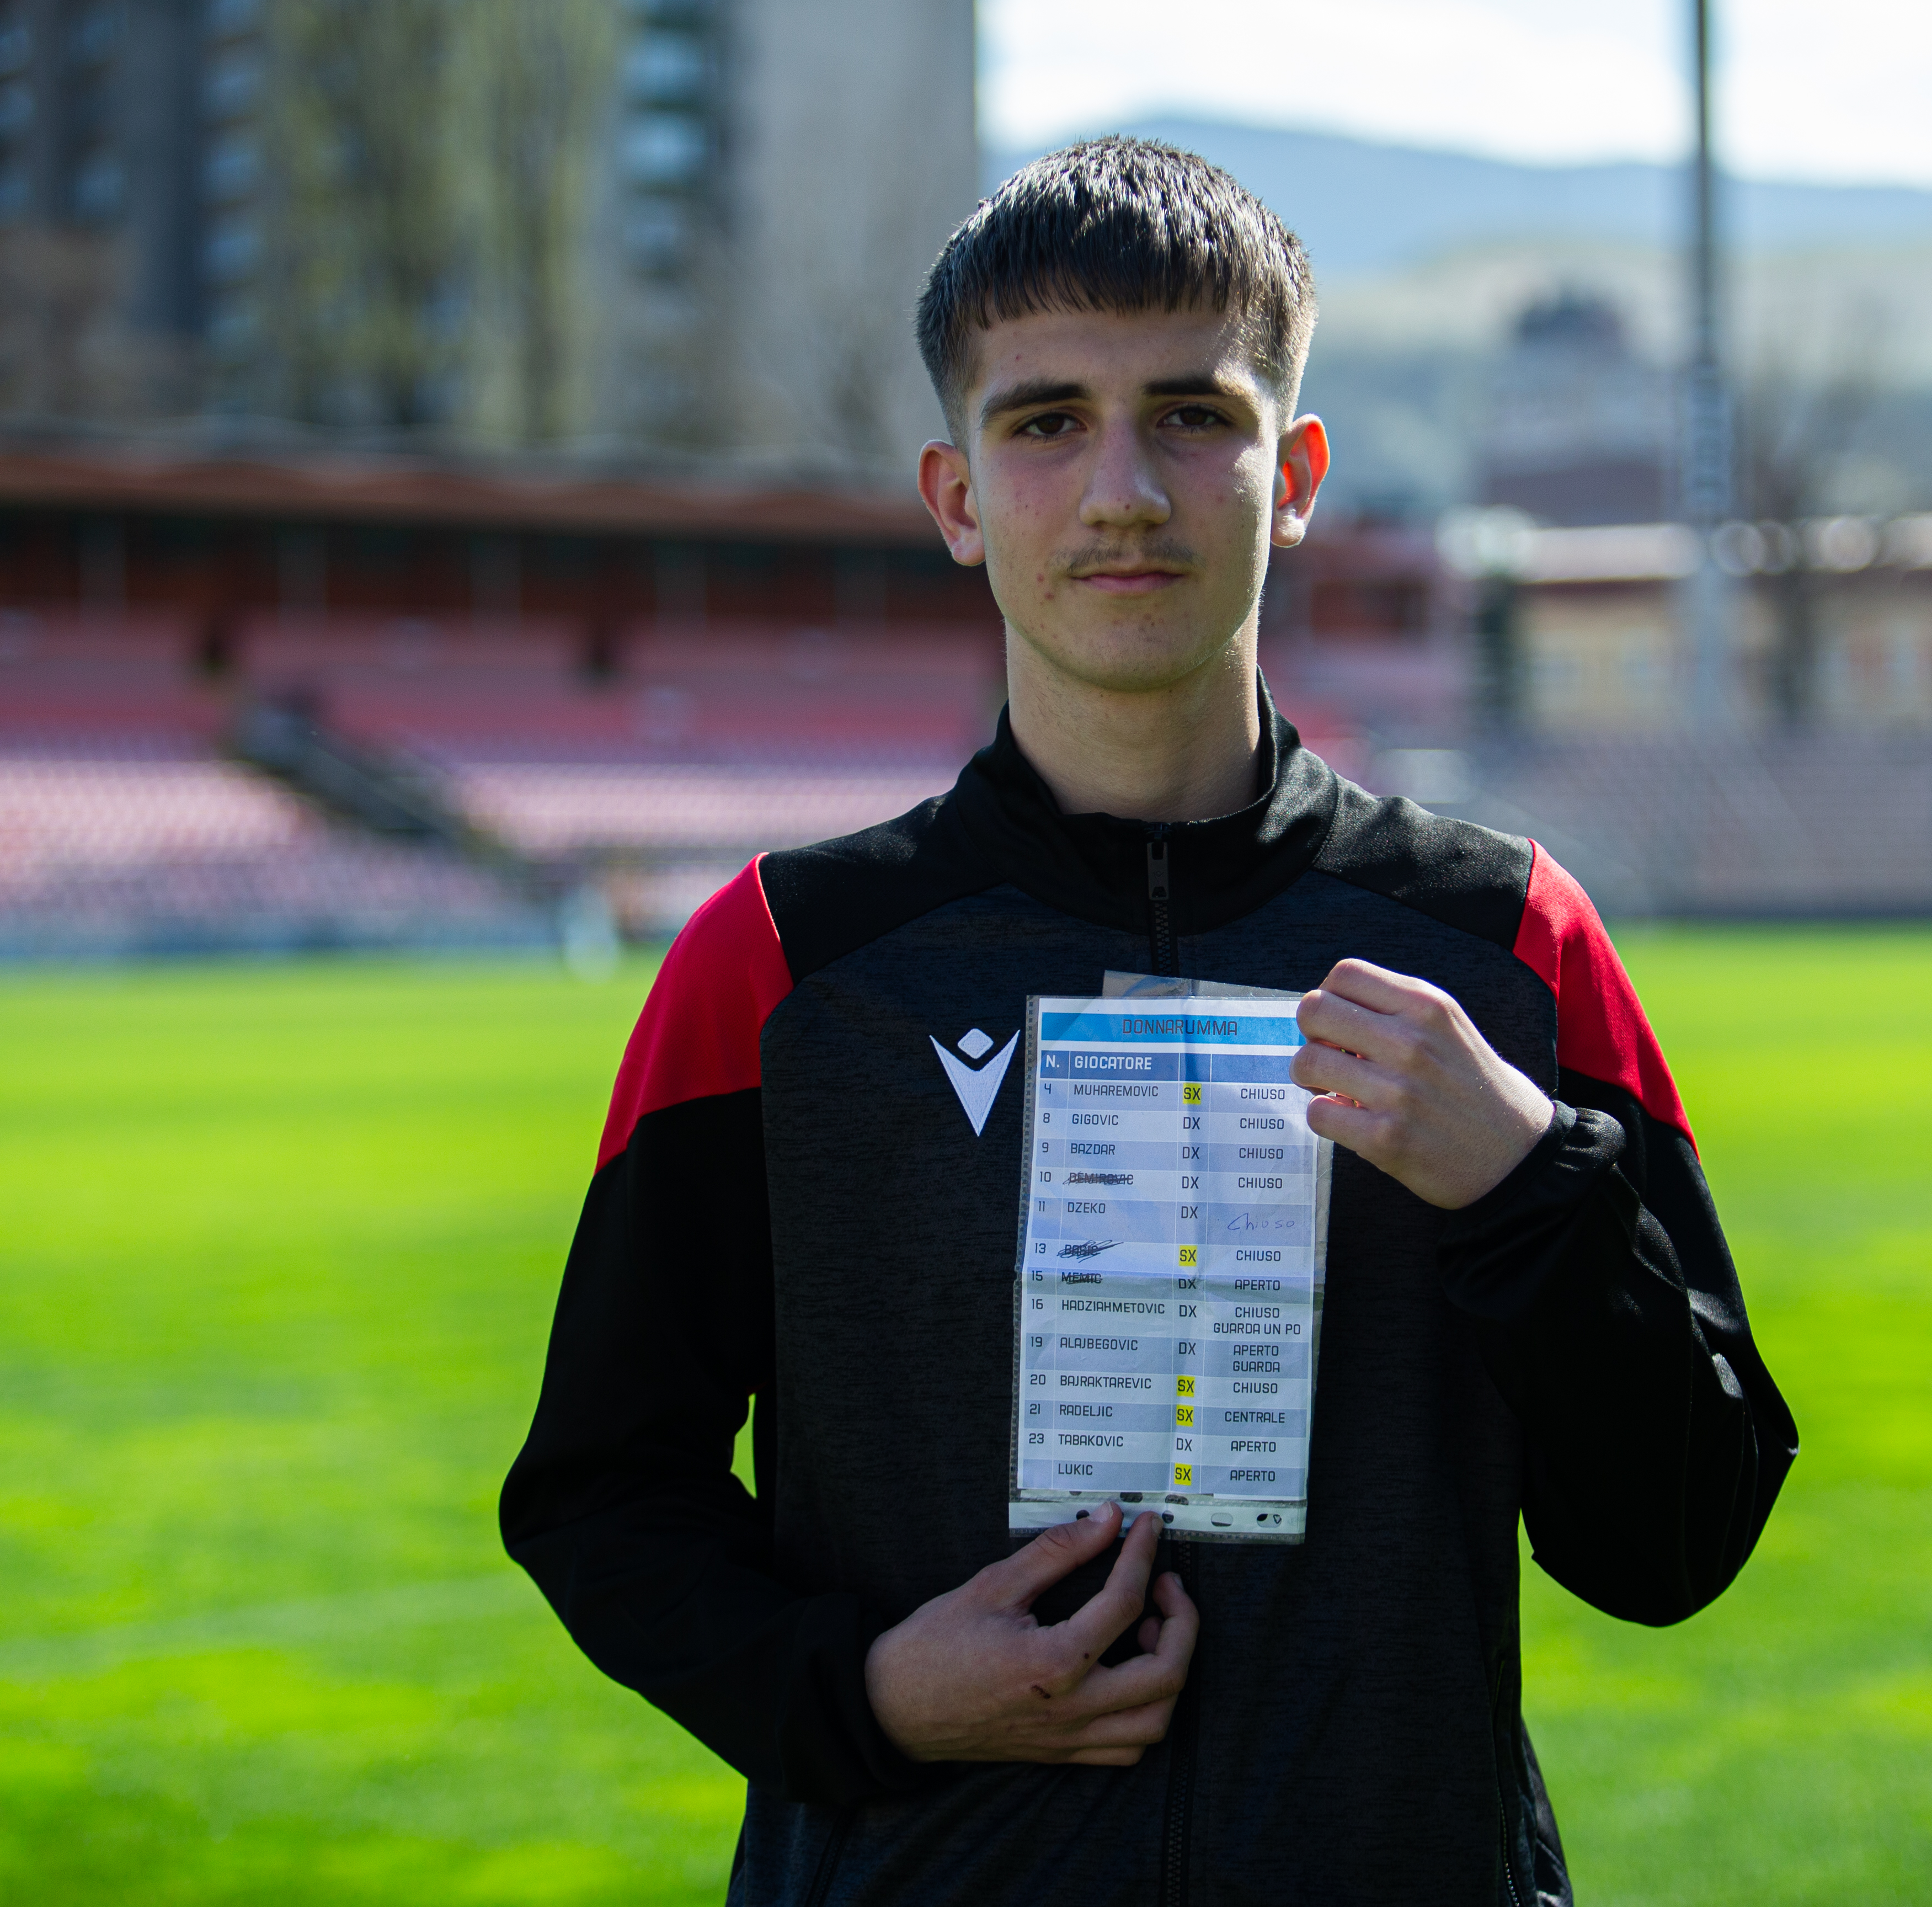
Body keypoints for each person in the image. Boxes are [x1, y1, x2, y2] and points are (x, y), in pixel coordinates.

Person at [500, 137, 1795, 1905]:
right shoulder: (787, 963)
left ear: (1297, 475)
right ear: (958, 497)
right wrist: (866, 1696)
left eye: (1193, 414)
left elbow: (1673, 1540)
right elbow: (599, 1495)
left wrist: (1527, 1186)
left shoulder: (1509, 944)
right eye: (1047, 425)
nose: (1123, 489)